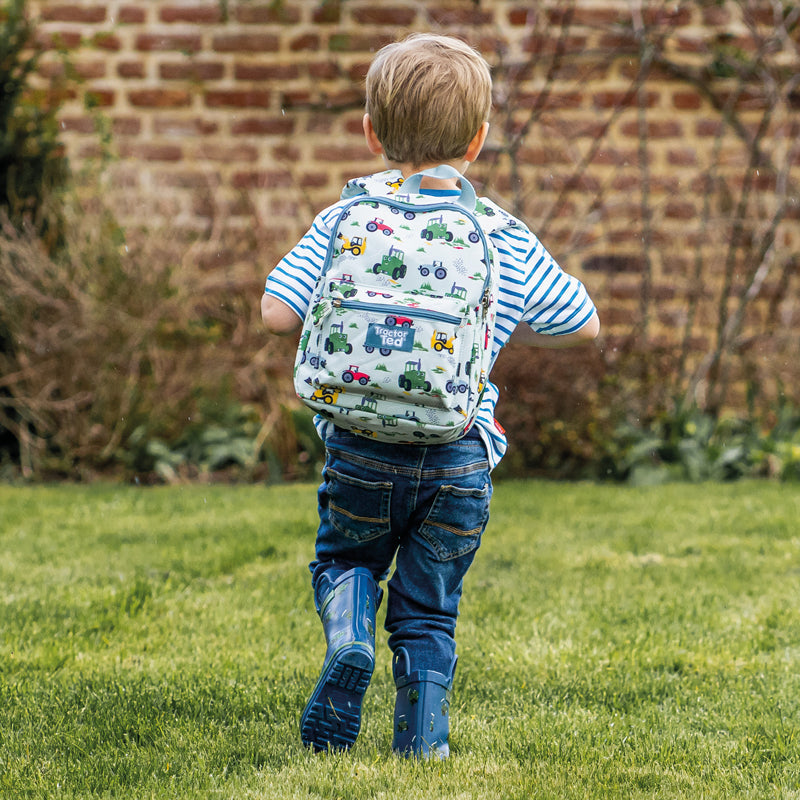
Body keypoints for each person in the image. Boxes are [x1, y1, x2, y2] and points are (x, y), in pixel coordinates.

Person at [261, 33, 600, 759]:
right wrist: (501, 329)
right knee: (428, 610)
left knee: (345, 560)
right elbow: (582, 322)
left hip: (359, 447)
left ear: (371, 133)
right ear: (479, 140)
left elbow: (275, 315)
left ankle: (350, 629)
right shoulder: (499, 233)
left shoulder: (342, 220)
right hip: (457, 458)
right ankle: (422, 743)